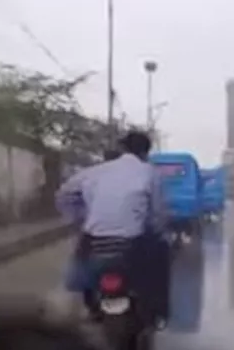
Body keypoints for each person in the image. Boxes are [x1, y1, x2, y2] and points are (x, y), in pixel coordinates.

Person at [55, 130, 170, 323]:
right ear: (146, 153)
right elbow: (158, 214)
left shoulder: (96, 172)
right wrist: (157, 230)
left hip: (95, 240)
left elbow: (63, 194)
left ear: (122, 149)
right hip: (132, 243)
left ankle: (86, 302)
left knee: (82, 256)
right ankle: (159, 311)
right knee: (162, 254)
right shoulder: (150, 173)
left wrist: (78, 218)